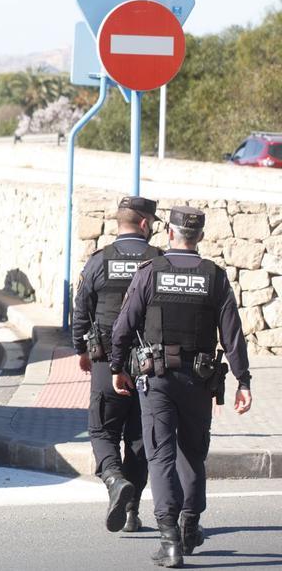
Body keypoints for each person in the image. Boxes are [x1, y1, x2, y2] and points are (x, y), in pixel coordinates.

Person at [110, 206, 253, 568]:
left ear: (169, 234)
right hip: (199, 381)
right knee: (193, 452)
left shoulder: (150, 273)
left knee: (160, 455)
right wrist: (243, 382)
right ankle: (191, 528)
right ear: (199, 237)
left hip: (157, 379)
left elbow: (123, 327)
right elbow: (233, 335)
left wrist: (116, 367)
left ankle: (170, 539)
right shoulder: (215, 277)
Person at [72, 196, 161, 533]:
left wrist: (80, 348)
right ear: (143, 224)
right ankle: (132, 512)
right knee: (139, 438)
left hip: (105, 359)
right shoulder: (159, 262)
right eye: (151, 223)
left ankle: (113, 480)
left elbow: (81, 309)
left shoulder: (99, 261)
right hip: (146, 362)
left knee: (101, 430)